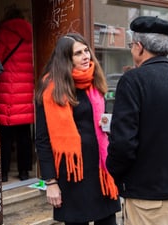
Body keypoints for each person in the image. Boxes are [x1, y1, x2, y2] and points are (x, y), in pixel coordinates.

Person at [106, 16, 168, 225]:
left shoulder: (132, 81)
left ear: (139, 46)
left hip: (146, 202)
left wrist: (117, 175)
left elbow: (123, 144)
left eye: (131, 45)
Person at [35, 33, 120, 225]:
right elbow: (42, 139)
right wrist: (51, 182)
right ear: (66, 59)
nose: (86, 56)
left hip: (101, 172)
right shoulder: (51, 89)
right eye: (78, 53)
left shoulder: (94, 83)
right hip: (73, 174)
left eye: (86, 50)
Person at [0, 5, 34, 181]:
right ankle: (25, 172)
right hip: (25, 94)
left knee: (5, 138)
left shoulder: (3, 33)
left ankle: (2, 174)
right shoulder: (30, 36)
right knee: (24, 138)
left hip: (6, 94)